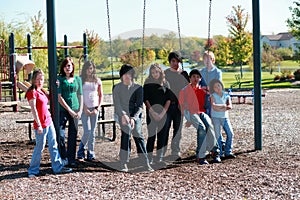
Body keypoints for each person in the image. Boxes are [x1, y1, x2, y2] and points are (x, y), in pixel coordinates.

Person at [26, 69, 72, 177]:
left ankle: (57, 167)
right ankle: (33, 170)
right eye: (37, 79)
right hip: (40, 124)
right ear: (33, 80)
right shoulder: (32, 92)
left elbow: (52, 98)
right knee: (40, 147)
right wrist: (39, 124)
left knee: (53, 145)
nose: (40, 82)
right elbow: (34, 110)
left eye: (41, 79)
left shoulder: (42, 91)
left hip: (48, 121)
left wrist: (56, 85)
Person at [113, 64, 153, 172]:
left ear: (132, 75)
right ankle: (124, 162)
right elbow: (117, 104)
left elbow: (140, 106)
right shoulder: (116, 88)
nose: (127, 76)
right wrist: (123, 115)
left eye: (129, 74)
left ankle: (145, 163)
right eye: (125, 74)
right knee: (126, 131)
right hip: (121, 115)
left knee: (138, 134)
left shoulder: (138, 88)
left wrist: (134, 118)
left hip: (135, 115)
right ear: (121, 75)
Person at [179, 69, 221, 165]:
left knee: (209, 125)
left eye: (198, 77)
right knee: (201, 127)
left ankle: (215, 151)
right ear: (189, 78)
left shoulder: (203, 91)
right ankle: (200, 156)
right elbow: (182, 106)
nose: (195, 79)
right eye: (193, 77)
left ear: (200, 79)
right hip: (190, 112)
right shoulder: (184, 90)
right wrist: (188, 119)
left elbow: (208, 105)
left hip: (201, 112)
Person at [143, 63, 172, 164]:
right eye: (153, 73)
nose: (155, 74)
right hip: (151, 112)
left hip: (163, 113)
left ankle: (159, 157)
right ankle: (149, 157)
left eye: (156, 72)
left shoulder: (166, 83)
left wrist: (162, 113)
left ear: (160, 72)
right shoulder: (147, 83)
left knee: (162, 135)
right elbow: (146, 99)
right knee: (151, 135)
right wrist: (152, 112)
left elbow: (169, 99)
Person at [57, 57, 83, 167]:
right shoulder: (60, 80)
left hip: (76, 109)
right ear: (63, 67)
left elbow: (80, 95)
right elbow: (59, 97)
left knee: (73, 135)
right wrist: (69, 110)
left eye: (70, 65)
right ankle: (63, 157)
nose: (68, 67)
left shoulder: (77, 79)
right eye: (66, 65)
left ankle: (72, 158)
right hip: (63, 110)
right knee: (61, 135)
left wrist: (80, 110)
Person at [164, 51, 189, 161]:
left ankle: (175, 151)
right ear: (169, 62)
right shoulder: (165, 73)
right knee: (165, 128)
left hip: (180, 105)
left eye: (177, 61)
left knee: (177, 130)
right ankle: (162, 151)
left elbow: (188, 91)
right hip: (168, 105)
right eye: (173, 61)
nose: (175, 63)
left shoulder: (184, 74)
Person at [77, 61, 103, 162]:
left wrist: (97, 108)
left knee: (92, 132)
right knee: (87, 131)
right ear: (85, 69)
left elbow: (100, 95)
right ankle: (81, 150)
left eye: (91, 68)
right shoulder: (80, 80)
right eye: (88, 68)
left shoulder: (97, 81)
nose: (89, 70)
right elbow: (79, 95)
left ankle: (91, 152)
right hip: (85, 108)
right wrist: (84, 108)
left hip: (94, 107)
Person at [209, 79, 236, 159]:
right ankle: (219, 153)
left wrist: (221, 107)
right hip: (215, 117)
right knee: (217, 135)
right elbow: (214, 106)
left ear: (221, 86)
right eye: (215, 87)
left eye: (218, 85)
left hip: (225, 117)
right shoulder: (213, 96)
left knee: (230, 133)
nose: (217, 88)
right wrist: (224, 106)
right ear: (213, 89)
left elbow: (229, 106)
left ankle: (228, 151)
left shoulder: (226, 95)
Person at [200, 51, 222, 117]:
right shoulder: (201, 72)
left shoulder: (217, 72)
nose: (206, 61)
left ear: (212, 60)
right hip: (203, 97)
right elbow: (198, 84)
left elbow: (218, 85)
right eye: (205, 59)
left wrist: (208, 88)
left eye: (208, 59)